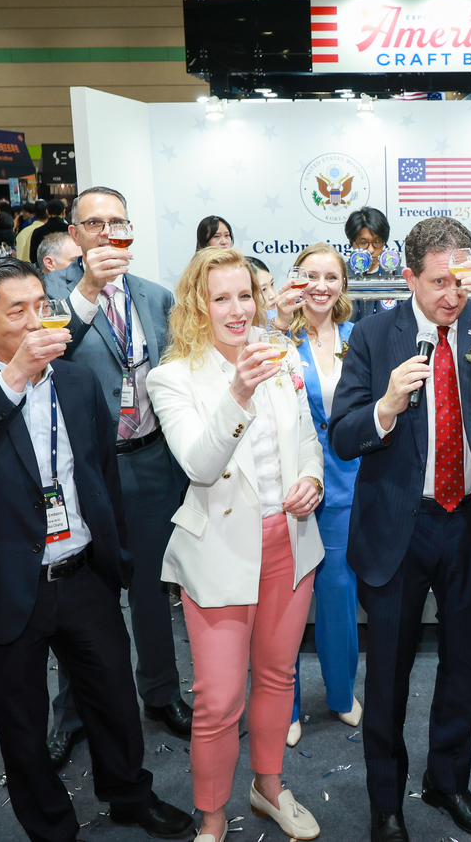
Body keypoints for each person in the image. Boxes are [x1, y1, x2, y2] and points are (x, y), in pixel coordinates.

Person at [0, 256, 193, 842]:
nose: (36, 320)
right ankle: (50, 827)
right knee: (21, 721)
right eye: (17, 310)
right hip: (7, 583)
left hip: (84, 572)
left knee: (113, 698)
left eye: (42, 306)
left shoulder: (75, 380)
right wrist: (16, 374)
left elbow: (99, 475)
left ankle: (129, 794)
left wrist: (115, 558)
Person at [329, 216, 471, 842]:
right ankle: (386, 801)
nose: (452, 296)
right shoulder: (374, 334)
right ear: (409, 278)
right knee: (388, 674)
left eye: (461, 282)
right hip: (398, 527)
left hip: (470, 521)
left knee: (463, 664)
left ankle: (448, 782)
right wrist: (385, 407)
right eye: (438, 283)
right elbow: (343, 436)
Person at [147, 247, 326, 842]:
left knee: (276, 676)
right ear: (197, 306)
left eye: (244, 295)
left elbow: (307, 440)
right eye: (220, 298)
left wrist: (312, 480)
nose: (237, 310)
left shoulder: (280, 355)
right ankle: (212, 815)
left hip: (289, 544)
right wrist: (240, 392)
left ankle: (269, 788)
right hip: (220, 552)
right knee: (219, 699)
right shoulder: (172, 377)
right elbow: (199, 466)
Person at [43, 186, 192, 764]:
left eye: (118, 222)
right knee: (84, 596)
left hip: (151, 461)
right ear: (75, 234)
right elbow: (49, 355)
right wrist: (86, 290)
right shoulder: (49, 292)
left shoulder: (155, 296)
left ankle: (161, 693)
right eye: (94, 223)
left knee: (154, 589)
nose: (108, 232)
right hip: (86, 471)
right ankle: (74, 712)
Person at [279, 243, 362, 748]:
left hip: (348, 482)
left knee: (337, 592)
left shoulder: (359, 337)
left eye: (331, 277)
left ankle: (341, 692)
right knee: (286, 601)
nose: (321, 286)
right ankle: (283, 705)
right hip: (291, 485)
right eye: (310, 275)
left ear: (343, 285)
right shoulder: (275, 338)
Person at [344, 206, 393, 320]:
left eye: (377, 242)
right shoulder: (340, 274)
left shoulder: (397, 274)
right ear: (351, 242)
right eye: (363, 243)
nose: (370, 250)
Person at [16, 199, 49, 263]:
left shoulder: (22, 232)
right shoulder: (49, 233)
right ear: (48, 213)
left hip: (22, 268)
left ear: (34, 214)